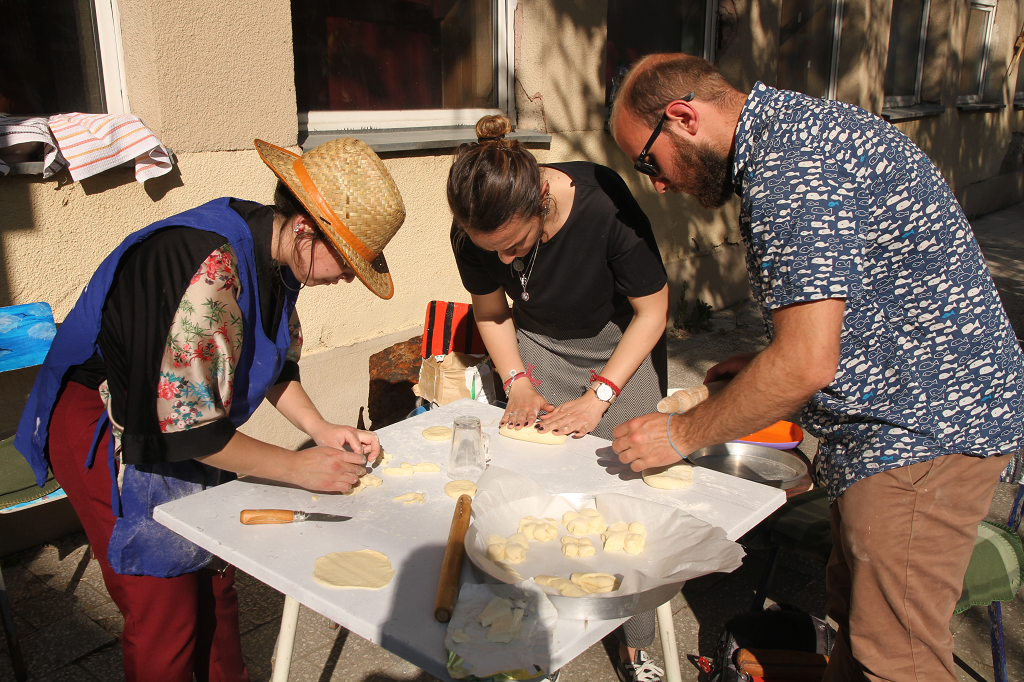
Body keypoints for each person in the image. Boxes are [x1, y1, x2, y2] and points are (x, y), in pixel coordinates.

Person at [609, 53, 1024, 682]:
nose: (658, 185)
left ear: (683, 117)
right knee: (856, 631)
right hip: (906, 419)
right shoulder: (800, 132)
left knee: (896, 659)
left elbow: (807, 362)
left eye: (648, 163)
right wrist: (765, 365)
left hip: (920, 434)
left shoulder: (788, 168)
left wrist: (680, 434)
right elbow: (853, 308)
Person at [15, 137, 406, 682]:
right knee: (165, 606)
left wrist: (319, 428)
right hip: (111, 424)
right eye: (348, 261)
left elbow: (273, 363)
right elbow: (186, 428)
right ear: (305, 228)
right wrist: (295, 467)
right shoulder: (208, 264)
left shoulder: (277, 255)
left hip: (188, 423)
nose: (348, 277)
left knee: (217, 580)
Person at [447, 114, 670, 682]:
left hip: (619, 348)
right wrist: (517, 380)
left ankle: (636, 646)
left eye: (515, 246)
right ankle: (534, 628)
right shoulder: (475, 224)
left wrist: (600, 395)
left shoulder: (603, 205)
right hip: (539, 345)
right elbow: (492, 309)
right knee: (534, 488)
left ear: (541, 200)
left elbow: (652, 312)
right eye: (491, 251)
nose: (504, 261)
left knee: (628, 492)